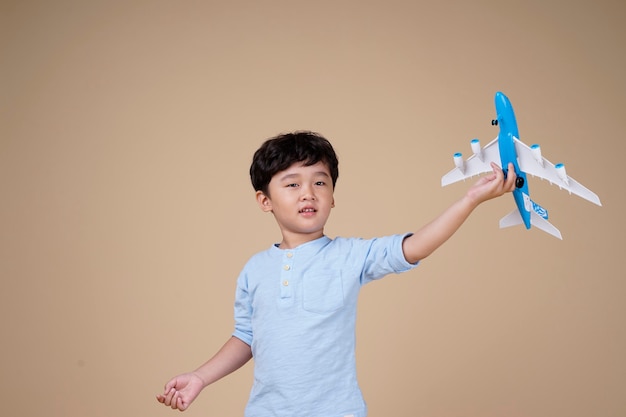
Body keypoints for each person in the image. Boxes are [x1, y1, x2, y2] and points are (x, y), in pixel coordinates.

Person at [156, 131, 516, 416]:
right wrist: (200, 377)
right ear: (264, 200)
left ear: (332, 196)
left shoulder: (350, 256)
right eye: (292, 184)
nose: (308, 193)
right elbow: (247, 338)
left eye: (320, 182)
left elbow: (416, 246)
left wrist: (470, 200)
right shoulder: (254, 269)